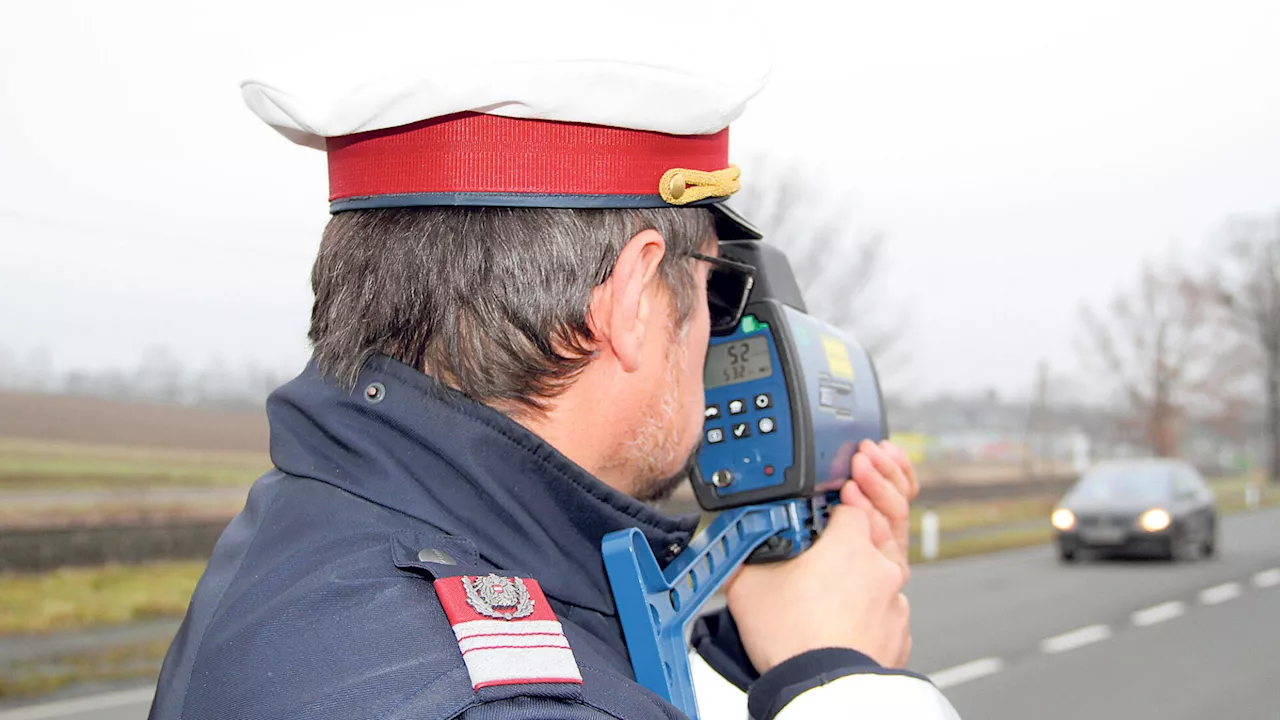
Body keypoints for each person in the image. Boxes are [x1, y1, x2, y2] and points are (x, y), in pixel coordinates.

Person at [150, 8, 960, 720]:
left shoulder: (319, 531)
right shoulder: (493, 700)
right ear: (634, 301)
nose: (712, 339)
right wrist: (842, 683)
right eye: (713, 294)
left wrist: (758, 663)